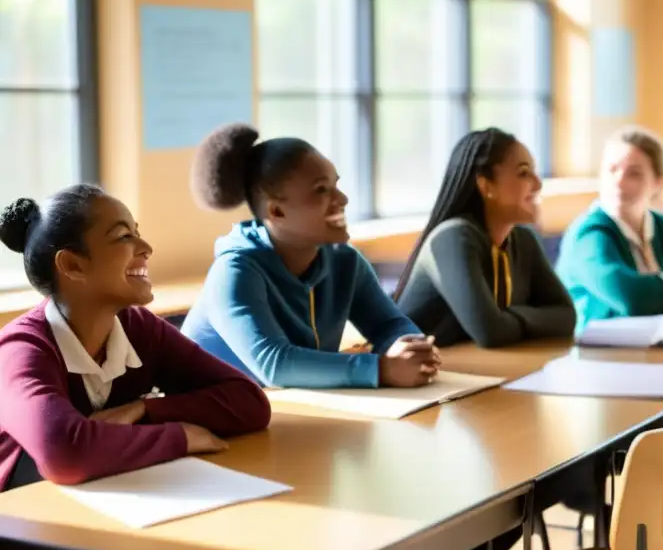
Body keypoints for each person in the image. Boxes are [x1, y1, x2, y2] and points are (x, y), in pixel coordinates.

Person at [0, 185, 272, 491]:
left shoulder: (139, 328)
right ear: (73, 265)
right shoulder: (21, 350)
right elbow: (64, 452)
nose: (145, 247)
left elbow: (249, 403)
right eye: (123, 237)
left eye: (137, 232)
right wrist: (179, 437)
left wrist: (144, 410)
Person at [181, 123, 440, 389]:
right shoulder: (234, 271)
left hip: (286, 408)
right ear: (277, 212)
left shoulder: (344, 260)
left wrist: (410, 346)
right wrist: (382, 370)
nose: (342, 199)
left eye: (335, 185)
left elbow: (388, 324)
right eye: (321, 190)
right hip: (211, 414)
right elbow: (275, 364)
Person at [393, 128, 575, 348]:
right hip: (419, 377)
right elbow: (491, 332)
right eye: (524, 173)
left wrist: (508, 318)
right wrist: (529, 318)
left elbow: (566, 317)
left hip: (471, 371)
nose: (538, 184)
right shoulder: (453, 237)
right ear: (486, 185)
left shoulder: (523, 239)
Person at [556, 126, 663, 333]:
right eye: (612, 169)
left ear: (658, 183)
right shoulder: (589, 233)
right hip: (596, 354)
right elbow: (631, 297)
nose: (619, 181)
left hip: (657, 344)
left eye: (634, 174)